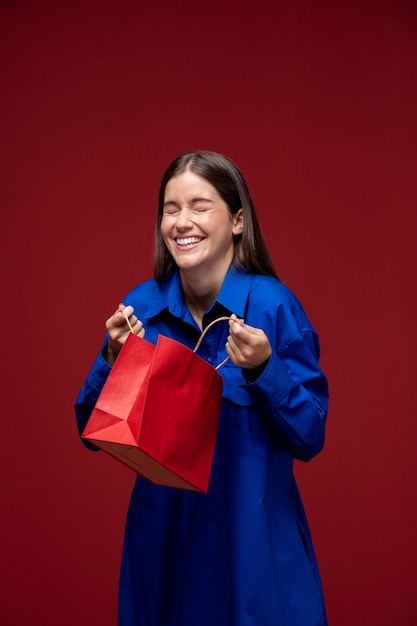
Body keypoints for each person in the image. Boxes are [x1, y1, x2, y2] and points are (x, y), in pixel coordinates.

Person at [75, 150, 329, 626]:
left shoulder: (272, 307)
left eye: (199, 206)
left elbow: (309, 434)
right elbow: (90, 431)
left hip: (252, 558)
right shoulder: (140, 310)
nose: (181, 221)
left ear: (236, 219)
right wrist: (111, 360)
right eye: (171, 209)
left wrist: (264, 369)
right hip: (162, 558)